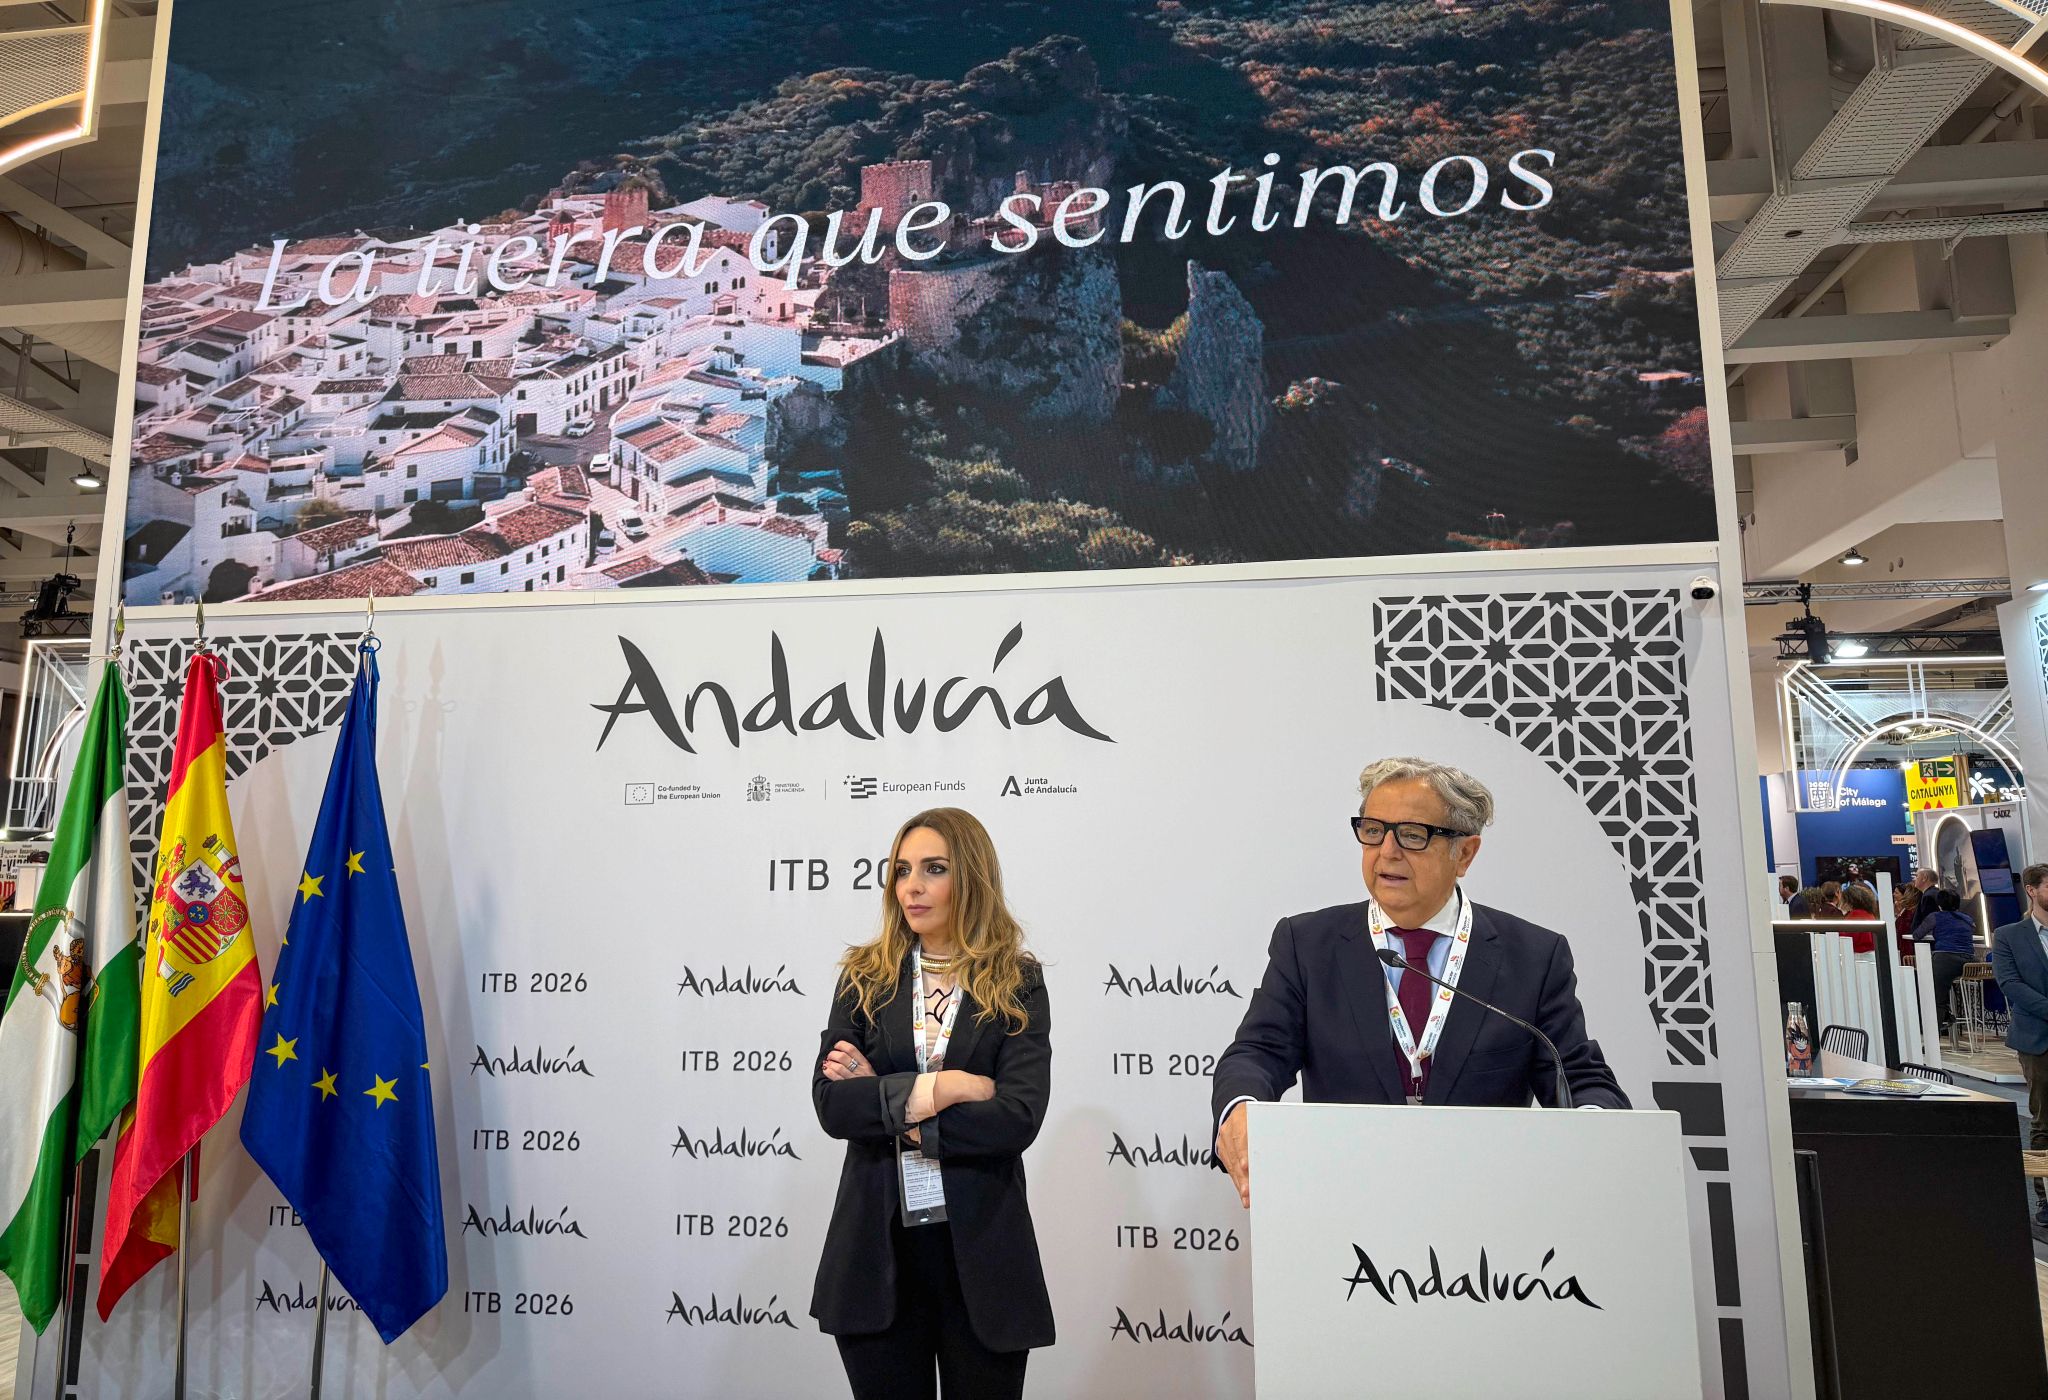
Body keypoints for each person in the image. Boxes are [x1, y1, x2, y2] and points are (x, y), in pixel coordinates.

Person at [1211, 757, 1628, 1208]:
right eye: (1373, 830)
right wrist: (1241, 1107)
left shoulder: (1532, 956)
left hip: (1488, 1207)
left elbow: (1578, 1076)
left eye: (1412, 835)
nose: (1387, 851)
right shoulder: (1309, 944)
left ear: (1464, 853)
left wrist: (1594, 1134)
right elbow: (1259, 1051)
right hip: (1343, 1202)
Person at [810, 808, 1052, 1399]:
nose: (912, 887)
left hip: (984, 1259)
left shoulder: (1016, 980)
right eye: (901, 871)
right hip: (877, 1256)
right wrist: (943, 1089)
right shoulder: (864, 977)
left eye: (934, 869)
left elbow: (1015, 1118)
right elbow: (832, 1106)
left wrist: (885, 1099)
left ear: (969, 877)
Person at [1994, 866, 2048, 1227]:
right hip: (2037, 1038)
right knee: (2044, 1119)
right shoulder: (2009, 936)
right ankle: (2045, 1198)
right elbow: (2010, 984)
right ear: (2031, 890)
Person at [1920, 889, 1976, 1036]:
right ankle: (1948, 1014)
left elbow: (1917, 934)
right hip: (1970, 962)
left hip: (1945, 959)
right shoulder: (1967, 918)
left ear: (1939, 904)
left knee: (1935, 998)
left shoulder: (1935, 917)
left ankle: (1934, 1036)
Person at [1840, 883, 1881, 954]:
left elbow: (1847, 937)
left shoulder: (1855, 915)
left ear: (1849, 901)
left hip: (1858, 956)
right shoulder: (1869, 914)